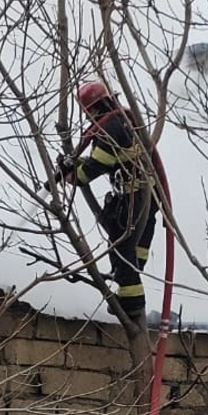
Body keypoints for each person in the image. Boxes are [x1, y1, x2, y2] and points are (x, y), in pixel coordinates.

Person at [57, 81, 157, 318]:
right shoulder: (123, 119)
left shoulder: (109, 126)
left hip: (134, 197)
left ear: (92, 108)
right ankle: (127, 286)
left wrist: (73, 175)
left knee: (121, 249)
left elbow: (95, 167)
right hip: (148, 197)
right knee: (132, 253)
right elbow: (110, 158)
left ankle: (131, 304)